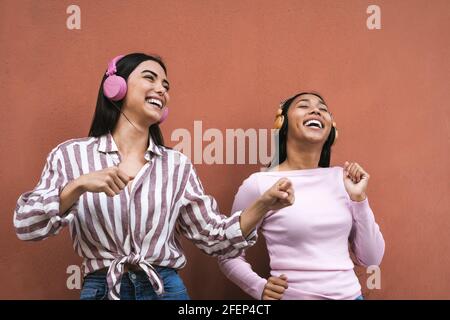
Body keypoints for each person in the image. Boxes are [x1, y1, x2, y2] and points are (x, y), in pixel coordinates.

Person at [13, 53, 294, 300]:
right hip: (102, 288)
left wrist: (263, 204)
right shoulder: (71, 156)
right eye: (150, 78)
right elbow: (27, 225)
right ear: (115, 87)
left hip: (165, 289)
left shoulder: (176, 164)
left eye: (166, 86)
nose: (161, 89)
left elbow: (214, 238)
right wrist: (76, 187)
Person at [218, 92, 385, 300]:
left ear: (331, 129)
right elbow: (227, 253)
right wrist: (258, 286)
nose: (316, 110)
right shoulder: (259, 184)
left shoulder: (344, 180)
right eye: (303, 106)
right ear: (283, 123)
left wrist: (359, 200)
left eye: (322, 109)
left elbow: (371, 259)